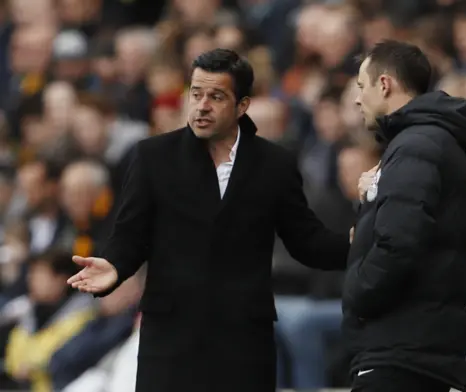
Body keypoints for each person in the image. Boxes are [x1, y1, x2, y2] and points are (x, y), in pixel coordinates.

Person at [66, 48, 350, 392]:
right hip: (170, 338)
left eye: (216, 96)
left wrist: (354, 243)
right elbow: (130, 235)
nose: (202, 105)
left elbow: (306, 241)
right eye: (196, 94)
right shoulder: (153, 157)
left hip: (243, 342)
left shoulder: (275, 165)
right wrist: (115, 268)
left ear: (242, 105)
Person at [343, 40, 466, 392]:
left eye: (362, 87)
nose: (357, 99)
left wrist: (358, 291)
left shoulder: (416, 146)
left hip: (402, 350)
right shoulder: (426, 143)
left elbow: (399, 241)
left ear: (385, 85)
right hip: (419, 345)